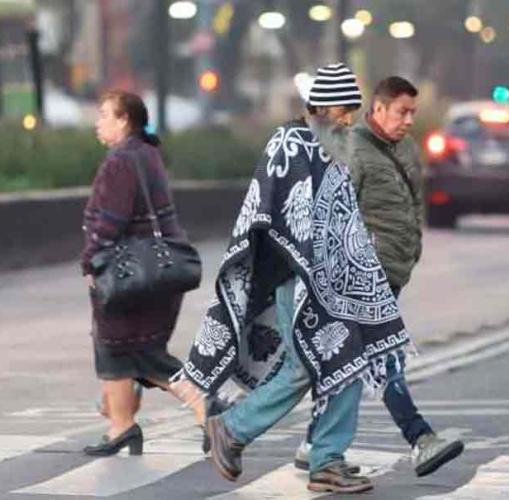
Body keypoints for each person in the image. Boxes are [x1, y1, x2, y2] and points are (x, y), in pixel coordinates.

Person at [177, 63, 411, 494]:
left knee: (345, 362)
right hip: (296, 275)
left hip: (332, 282)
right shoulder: (289, 141)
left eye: (352, 109)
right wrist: (312, 261)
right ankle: (232, 428)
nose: (349, 117)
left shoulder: (333, 144)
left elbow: (342, 216)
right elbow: (274, 211)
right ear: (322, 105)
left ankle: (326, 460)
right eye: (344, 109)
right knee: (307, 366)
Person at [302, 76, 464, 477]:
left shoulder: (406, 148)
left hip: (394, 270)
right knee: (384, 357)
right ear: (377, 109)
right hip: (364, 276)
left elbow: (413, 201)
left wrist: (415, 245)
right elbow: (337, 213)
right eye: (401, 112)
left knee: (349, 360)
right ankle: (420, 439)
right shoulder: (353, 149)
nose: (409, 120)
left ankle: (312, 443)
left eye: (413, 112)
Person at [80, 90, 204, 455]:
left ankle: (206, 407)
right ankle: (121, 426)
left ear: (123, 121)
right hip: (153, 271)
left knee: (141, 354)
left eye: (104, 115)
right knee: (116, 349)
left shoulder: (121, 161)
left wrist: (90, 259)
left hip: (130, 273)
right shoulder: (147, 154)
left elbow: (111, 221)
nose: (97, 122)